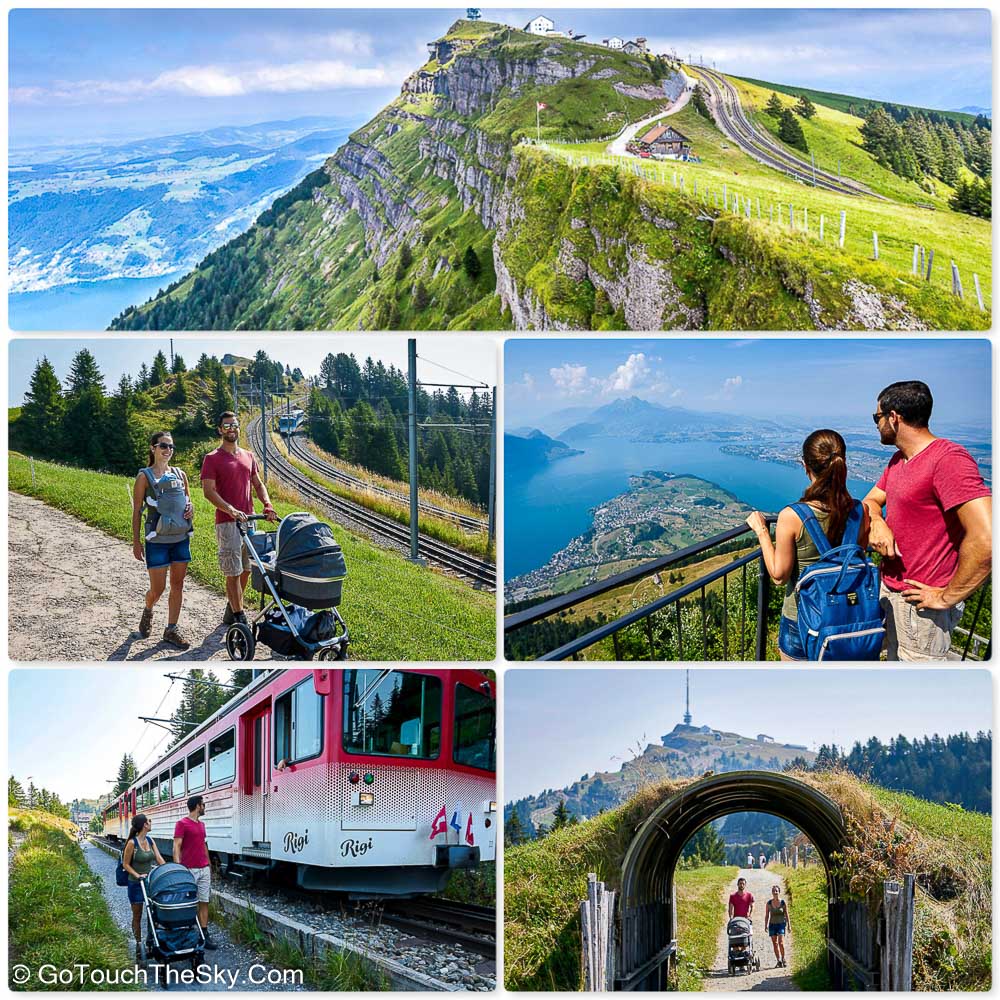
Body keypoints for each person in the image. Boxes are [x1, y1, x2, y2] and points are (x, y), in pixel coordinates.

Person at [863, 381, 992, 661]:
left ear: (893, 418)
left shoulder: (948, 460)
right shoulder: (899, 460)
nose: (876, 424)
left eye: (877, 417)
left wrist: (946, 598)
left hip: (923, 608)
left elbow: (987, 538)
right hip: (893, 593)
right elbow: (870, 502)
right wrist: (878, 522)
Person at [747, 429, 870, 660]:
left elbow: (778, 576)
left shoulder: (792, 516)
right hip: (847, 616)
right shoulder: (860, 511)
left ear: (805, 466)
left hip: (802, 619)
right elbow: (857, 557)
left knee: (797, 691)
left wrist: (762, 531)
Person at [201, 411, 277, 626]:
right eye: (226, 426)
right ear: (219, 430)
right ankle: (239, 617)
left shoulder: (248, 455)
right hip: (228, 523)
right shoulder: (212, 458)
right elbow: (208, 491)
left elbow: (258, 483)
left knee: (245, 569)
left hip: (249, 520)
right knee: (232, 571)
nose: (231, 429)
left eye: (234, 425)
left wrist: (267, 504)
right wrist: (230, 509)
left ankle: (233, 606)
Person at [132, 431, 193, 649]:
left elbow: (188, 502)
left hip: (180, 538)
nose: (168, 450)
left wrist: (189, 510)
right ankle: (148, 609)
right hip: (156, 541)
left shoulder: (180, 474)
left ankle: (171, 629)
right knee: (157, 590)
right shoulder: (144, 477)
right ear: (153, 448)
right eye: (163, 446)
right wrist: (136, 541)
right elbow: (137, 511)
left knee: (178, 584)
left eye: (171, 447)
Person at [173, 795, 217, 949]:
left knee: (204, 902)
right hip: (189, 870)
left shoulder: (202, 825)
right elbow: (177, 846)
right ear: (198, 806)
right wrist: (179, 868)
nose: (205, 807)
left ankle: (204, 935)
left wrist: (209, 863)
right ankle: (188, 934)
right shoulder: (181, 824)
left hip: (204, 869)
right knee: (188, 904)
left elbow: (203, 844)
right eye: (203, 804)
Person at [121, 813, 165, 961]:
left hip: (149, 883)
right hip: (135, 883)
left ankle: (149, 941)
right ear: (144, 825)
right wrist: (137, 874)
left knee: (153, 913)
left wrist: (168, 870)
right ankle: (138, 944)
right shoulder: (132, 844)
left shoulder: (150, 840)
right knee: (138, 915)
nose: (151, 823)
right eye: (149, 821)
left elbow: (159, 859)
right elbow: (125, 864)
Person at [765, 885, 790, 968]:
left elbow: (786, 914)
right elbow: (767, 915)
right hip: (772, 925)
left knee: (781, 942)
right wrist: (765, 925)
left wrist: (789, 925)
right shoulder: (769, 903)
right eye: (774, 891)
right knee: (775, 943)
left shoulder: (783, 902)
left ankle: (783, 959)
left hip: (781, 924)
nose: (775, 892)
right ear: (772, 892)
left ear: (779, 892)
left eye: (776, 891)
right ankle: (778, 960)